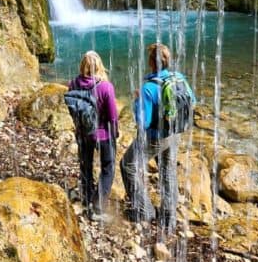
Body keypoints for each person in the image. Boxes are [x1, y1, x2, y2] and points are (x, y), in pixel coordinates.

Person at [120, 43, 195, 232]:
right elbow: (192, 101)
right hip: (175, 132)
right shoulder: (179, 78)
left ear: (152, 62)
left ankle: (145, 210)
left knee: (128, 165)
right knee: (168, 169)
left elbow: (143, 123)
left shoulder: (148, 88)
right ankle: (169, 215)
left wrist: (138, 101)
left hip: (156, 136)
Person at [68, 50, 118, 218]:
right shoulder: (105, 87)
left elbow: (72, 110)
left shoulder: (73, 84)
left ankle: (87, 196)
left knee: (86, 165)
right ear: (99, 66)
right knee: (108, 168)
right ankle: (97, 205)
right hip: (103, 135)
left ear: (82, 65)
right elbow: (112, 116)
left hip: (83, 134)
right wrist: (115, 133)